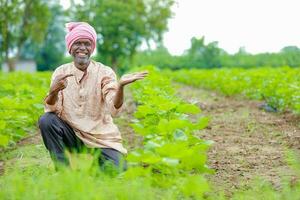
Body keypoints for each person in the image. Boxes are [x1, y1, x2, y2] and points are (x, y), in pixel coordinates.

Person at [38, 22, 148, 171]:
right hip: (73, 135)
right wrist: (53, 91)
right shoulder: (60, 72)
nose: (82, 48)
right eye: (77, 43)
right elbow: (51, 108)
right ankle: (63, 170)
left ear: (92, 48)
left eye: (87, 44)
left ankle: (94, 166)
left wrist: (121, 86)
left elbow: (114, 108)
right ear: (70, 48)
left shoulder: (104, 72)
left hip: (100, 138)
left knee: (118, 170)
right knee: (46, 120)